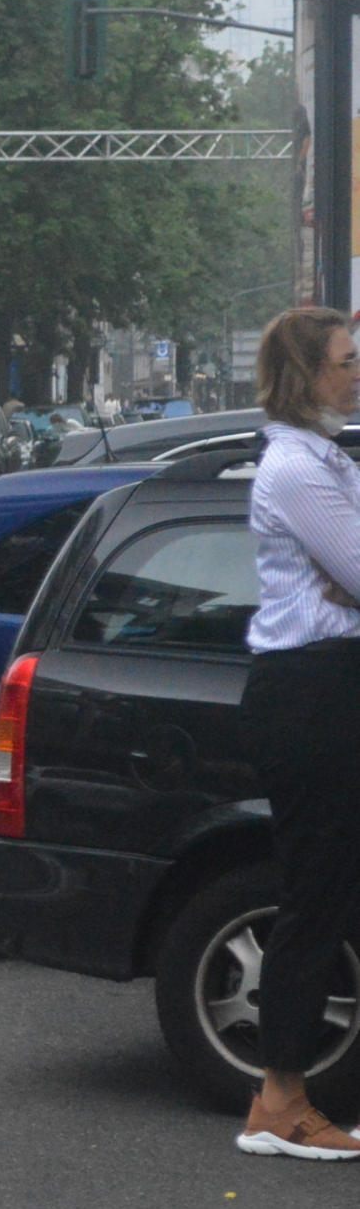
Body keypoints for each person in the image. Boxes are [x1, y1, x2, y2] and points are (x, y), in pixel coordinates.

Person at [233, 308, 360, 1160]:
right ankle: (279, 1101)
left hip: (329, 683)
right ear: (306, 373)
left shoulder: (327, 459)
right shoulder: (294, 469)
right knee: (316, 892)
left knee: (331, 887)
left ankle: (286, 1097)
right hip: (311, 691)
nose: (357, 372)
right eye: (347, 360)